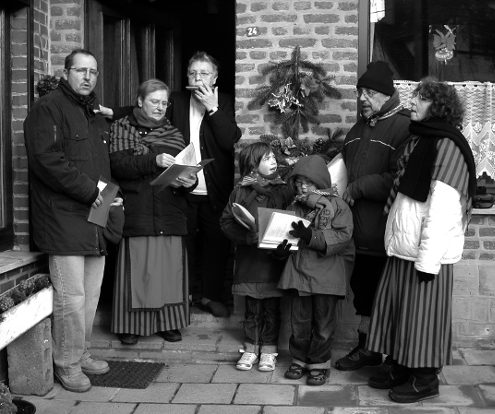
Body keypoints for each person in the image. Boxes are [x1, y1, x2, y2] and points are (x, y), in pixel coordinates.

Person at [366, 78, 477, 403]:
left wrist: (427, 262)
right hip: (406, 247)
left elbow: (442, 209)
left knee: (422, 317)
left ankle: (425, 378)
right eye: (413, 96)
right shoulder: (421, 140)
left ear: (438, 107)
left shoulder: (448, 146)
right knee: (401, 312)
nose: (410, 102)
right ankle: (402, 365)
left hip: (427, 255)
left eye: (419, 98)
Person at [23, 49, 115, 392]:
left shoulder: (93, 112)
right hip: (62, 218)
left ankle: (83, 352)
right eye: (80, 70)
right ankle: (67, 364)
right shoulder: (47, 108)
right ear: (66, 72)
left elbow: (101, 165)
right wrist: (93, 191)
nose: (87, 77)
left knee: (90, 295)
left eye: (92, 71)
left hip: (95, 215)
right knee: (70, 298)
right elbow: (47, 162)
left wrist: (107, 201)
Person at [109, 79, 196, 346]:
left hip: (169, 210)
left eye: (163, 102)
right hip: (138, 209)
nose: (160, 107)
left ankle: (169, 323)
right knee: (139, 272)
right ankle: (131, 326)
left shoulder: (175, 133)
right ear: (139, 101)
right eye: (154, 101)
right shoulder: (121, 128)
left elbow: (184, 167)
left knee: (169, 273)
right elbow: (118, 166)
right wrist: (153, 160)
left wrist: (188, 182)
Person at [335, 61, 410, 371]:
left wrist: (360, 186)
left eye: (368, 92)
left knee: (385, 295)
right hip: (358, 231)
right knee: (364, 292)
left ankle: (390, 354)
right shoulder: (357, 129)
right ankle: (367, 347)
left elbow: (401, 177)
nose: (362, 98)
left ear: (384, 94)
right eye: (359, 92)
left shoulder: (404, 126)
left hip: (384, 229)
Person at [166, 51, 242, 317]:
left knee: (216, 243)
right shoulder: (175, 101)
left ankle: (211, 296)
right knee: (181, 244)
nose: (198, 78)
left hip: (215, 190)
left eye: (204, 73)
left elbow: (228, 140)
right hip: (180, 188)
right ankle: (182, 296)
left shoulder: (225, 101)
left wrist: (213, 107)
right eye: (193, 73)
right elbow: (144, 110)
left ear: (215, 77)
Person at [277, 155, 355, 386]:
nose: (302, 186)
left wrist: (312, 236)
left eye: (308, 182)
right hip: (300, 274)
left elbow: (342, 236)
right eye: (299, 181)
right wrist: (279, 249)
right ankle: (299, 359)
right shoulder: (295, 206)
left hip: (326, 276)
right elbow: (284, 232)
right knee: (299, 324)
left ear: (320, 182)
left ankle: (319, 364)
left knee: (323, 325)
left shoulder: (337, 206)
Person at [220, 142, 293, 372]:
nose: (273, 162)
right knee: (252, 309)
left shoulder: (283, 190)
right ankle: (251, 349)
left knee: (272, 309)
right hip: (250, 260)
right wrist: (247, 236)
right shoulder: (240, 190)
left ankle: (269, 351)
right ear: (253, 165)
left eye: (274, 158)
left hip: (273, 260)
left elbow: (291, 219)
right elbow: (226, 221)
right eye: (267, 158)